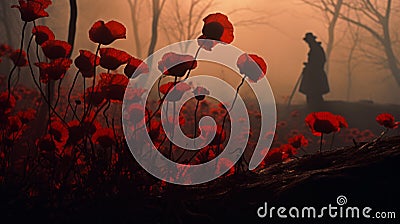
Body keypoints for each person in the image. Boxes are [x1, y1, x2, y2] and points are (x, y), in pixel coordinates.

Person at [299, 32, 329, 107]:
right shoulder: (315, 48)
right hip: (313, 72)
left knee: (314, 91)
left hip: (315, 74)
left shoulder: (316, 49)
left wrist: (311, 66)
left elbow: (320, 60)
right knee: (312, 91)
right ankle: (313, 106)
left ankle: (315, 107)